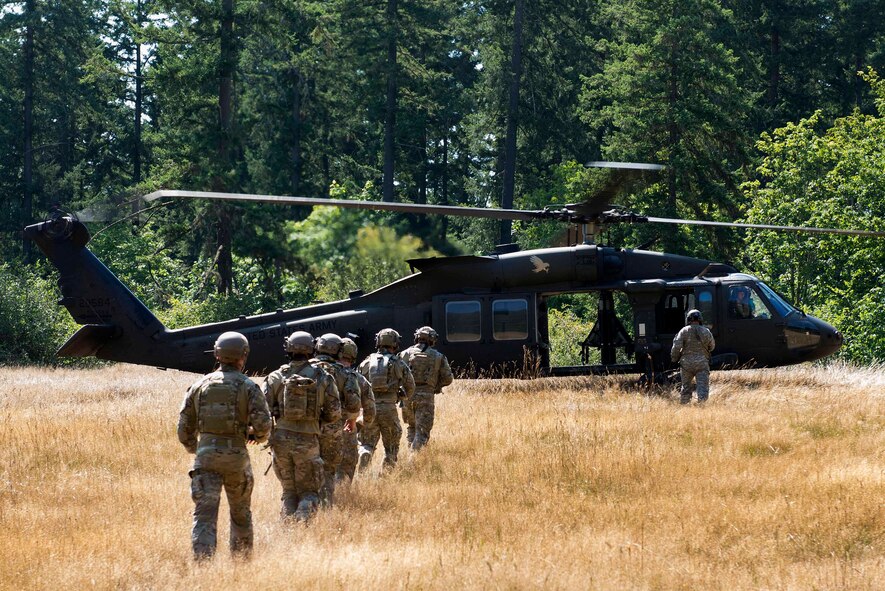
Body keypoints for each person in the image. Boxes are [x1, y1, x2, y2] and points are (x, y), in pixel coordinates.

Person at [177, 331, 271, 561]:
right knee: (240, 513)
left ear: (217, 353)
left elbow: (183, 429)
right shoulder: (249, 386)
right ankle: (240, 564)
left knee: (204, 516)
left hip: (205, 457)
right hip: (237, 458)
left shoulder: (199, 385)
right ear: (244, 355)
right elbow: (264, 425)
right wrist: (254, 437)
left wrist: (196, 448)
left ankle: (203, 566)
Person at [262, 331, 340, 520]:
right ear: (312, 349)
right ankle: (302, 528)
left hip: (280, 441)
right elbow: (335, 413)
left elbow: (262, 409)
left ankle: (287, 530)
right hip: (308, 440)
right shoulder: (323, 376)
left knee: (289, 492)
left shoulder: (275, 377)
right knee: (309, 492)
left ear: (288, 348)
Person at [310, 333, 361, 505]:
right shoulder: (346, 373)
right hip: (333, 429)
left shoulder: (302, 369)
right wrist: (352, 420)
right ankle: (325, 506)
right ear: (339, 350)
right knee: (329, 470)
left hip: (304, 429)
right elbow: (354, 402)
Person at [357, 328, 415, 471]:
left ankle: (365, 454)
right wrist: (402, 396)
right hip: (389, 408)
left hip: (370, 408)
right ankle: (385, 476)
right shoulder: (398, 363)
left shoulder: (366, 362)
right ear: (395, 343)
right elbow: (410, 385)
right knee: (391, 446)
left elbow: (356, 383)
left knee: (366, 442)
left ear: (378, 342)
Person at [399, 326, 454, 450]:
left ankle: (410, 453)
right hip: (426, 396)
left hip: (407, 396)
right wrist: (435, 386)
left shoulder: (405, 354)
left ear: (417, 338)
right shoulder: (438, 356)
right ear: (432, 339)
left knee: (412, 427)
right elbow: (448, 378)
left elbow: (397, 374)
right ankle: (414, 459)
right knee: (422, 431)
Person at [335, 337, 376, 483]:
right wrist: (360, 424)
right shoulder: (358, 379)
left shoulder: (318, 373)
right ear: (353, 356)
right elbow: (370, 410)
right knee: (346, 466)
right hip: (348, 428)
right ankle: (341, 496)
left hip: (319, 430)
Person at [671, 309, 716, 404]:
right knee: (702, 389)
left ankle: (684, 408)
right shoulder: (706, 331)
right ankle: (702, 409)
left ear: (688, 319)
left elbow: (676, 347)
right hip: (702, 364)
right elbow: (712, 347)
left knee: (686, 388)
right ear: (700, 319)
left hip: (686, 365)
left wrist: (674, 359)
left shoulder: (683, 331)